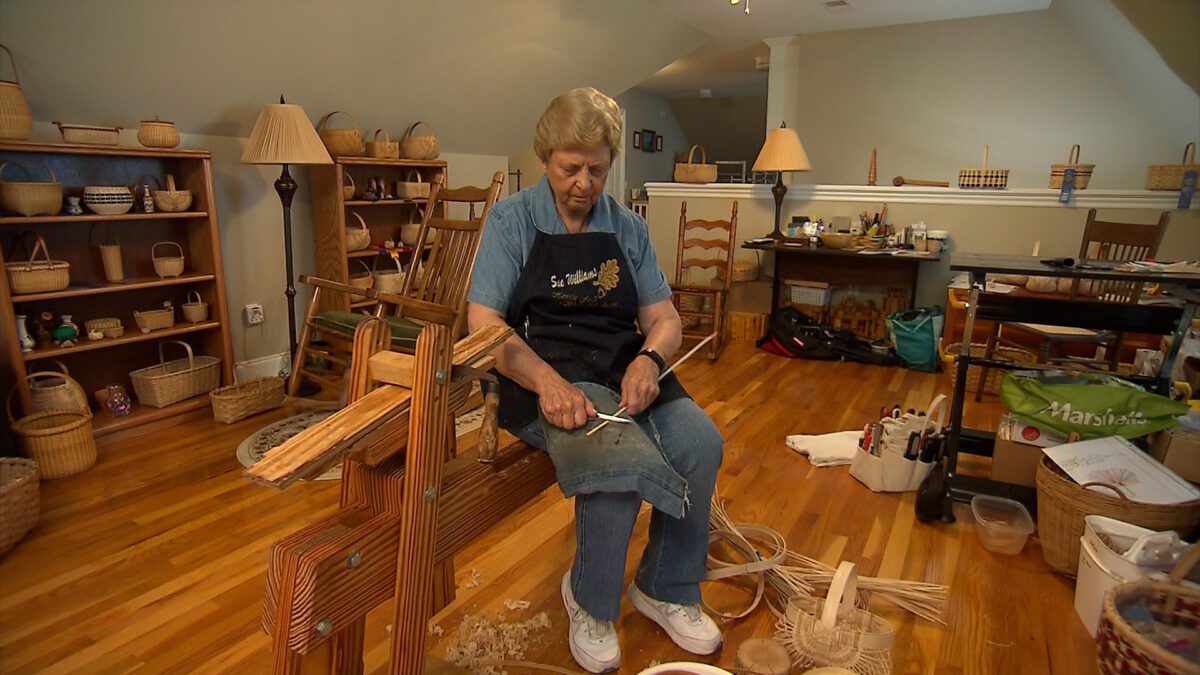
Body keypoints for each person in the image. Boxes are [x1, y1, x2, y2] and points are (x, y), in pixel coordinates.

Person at [467, 87, 724, 672]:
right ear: (545, 158)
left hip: (620, 364)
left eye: (597, 169)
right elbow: (484, 325)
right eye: (569, 168)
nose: (583, 182)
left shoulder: (627, 228)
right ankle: (591, 599)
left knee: (700, 441)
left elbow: (663, 320)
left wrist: (649, 361)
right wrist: (550, 385)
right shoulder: (512, 220)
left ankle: (666, 586)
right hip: (540, 372)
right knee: (616, 460)